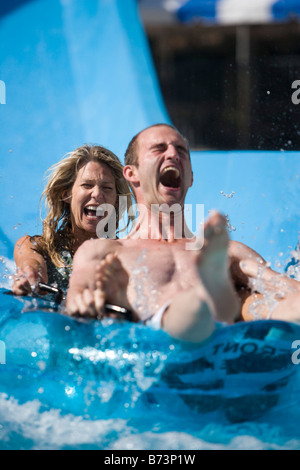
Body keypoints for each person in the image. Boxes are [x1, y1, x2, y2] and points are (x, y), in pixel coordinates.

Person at [66, 124, 241, 343]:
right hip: (163, 336)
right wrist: (81, 302)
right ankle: (211, 296)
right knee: (194, 313)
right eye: (159, 149)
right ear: (132, 173)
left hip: (216, 343)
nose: (173, 154)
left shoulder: (224, 250)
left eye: (181, 150)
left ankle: (213, 297)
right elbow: (76, 293)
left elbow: (277, 286)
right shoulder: (105, 251)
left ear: (191, 178)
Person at [12, 144, 133, 297]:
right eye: (87, 185)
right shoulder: (36, 248)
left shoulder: (126, 256)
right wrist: (30, 275)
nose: (97, 194)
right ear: (66, 195)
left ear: (116, 201)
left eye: (107, 188)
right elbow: (30, 265)